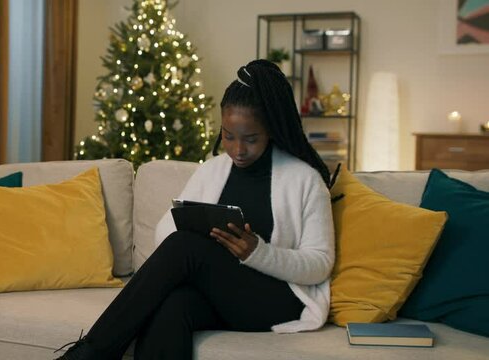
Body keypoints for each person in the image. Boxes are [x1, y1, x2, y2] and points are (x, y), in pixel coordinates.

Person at [55, 59, 335, 360]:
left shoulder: (305, 179)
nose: (238, 150)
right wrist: (205, 237)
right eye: (228, 136)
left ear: (271, 130)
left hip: (279, 300)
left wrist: (257, 252)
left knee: (186, 246)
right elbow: (167, 230)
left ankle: (87, 355)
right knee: (173, 304)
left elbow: (320, 263)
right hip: (221, 296)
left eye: (251, 139)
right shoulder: (212, 171)